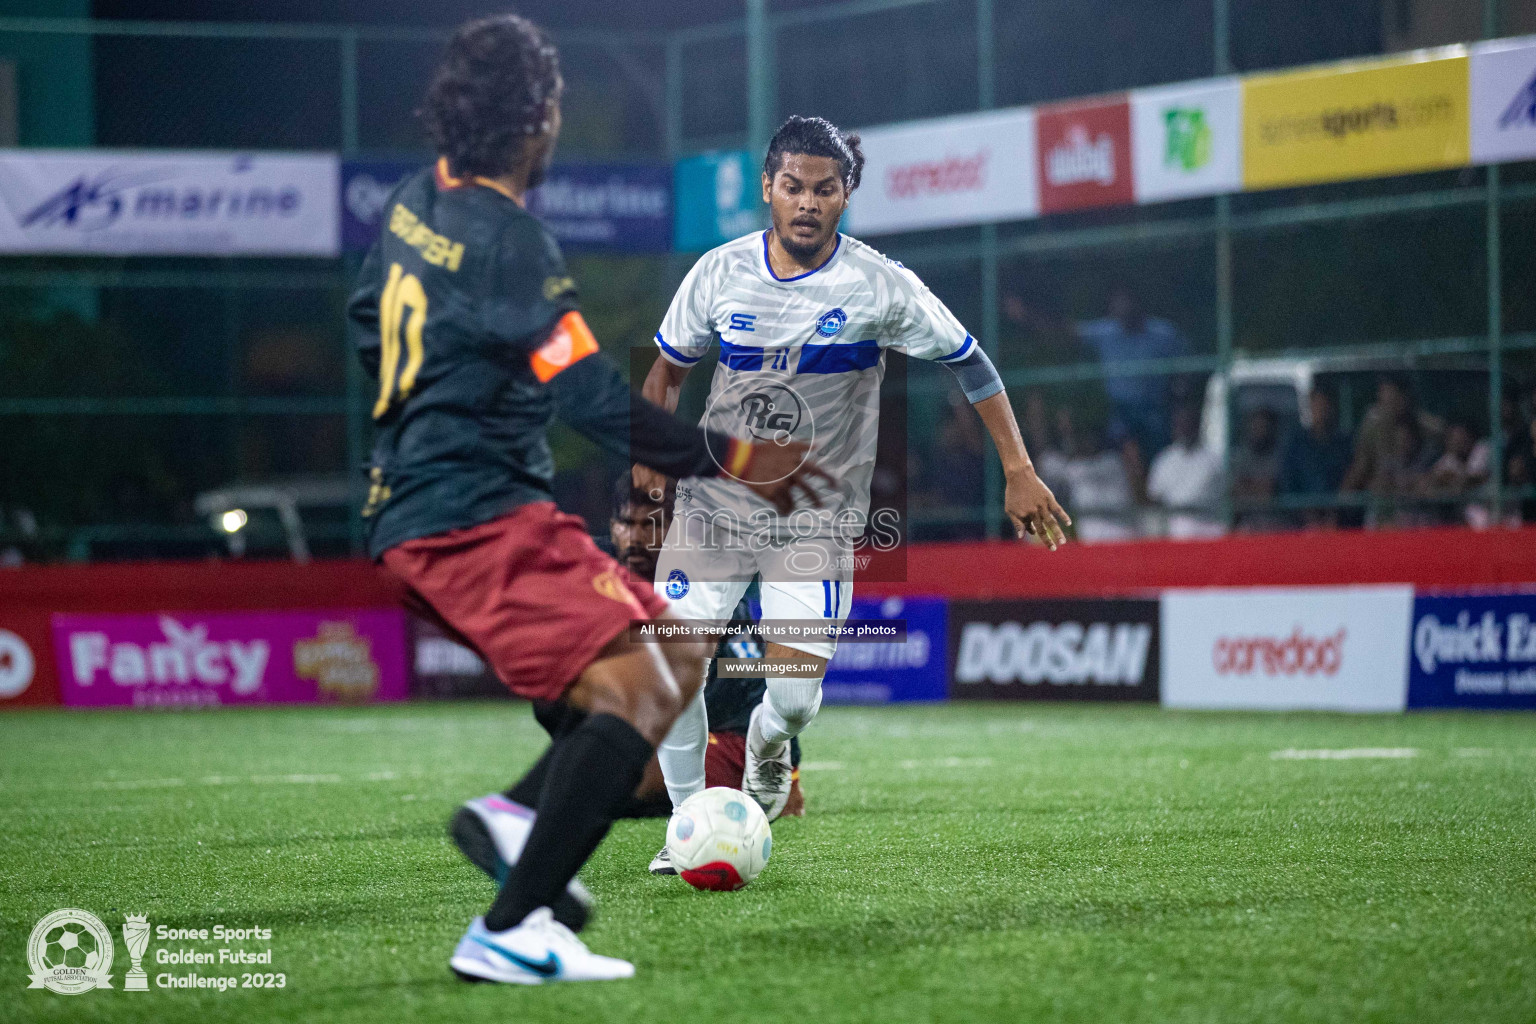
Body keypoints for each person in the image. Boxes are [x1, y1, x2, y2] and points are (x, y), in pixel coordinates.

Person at [348, 15, 827, 985]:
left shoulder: (410, 205)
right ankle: (511, 916)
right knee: (654, 680)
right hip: (477, 517)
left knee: (666, 652)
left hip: (413, 510)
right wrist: (735, 457)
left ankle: (523, 836)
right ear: (536, 119)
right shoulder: (511, 242)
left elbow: (369, 322)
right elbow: (597, 402)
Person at [633, 114, 1070, 868]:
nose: (807, 202)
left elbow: (971, 363)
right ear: (768, 188)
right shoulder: (717, 272)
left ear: (846, 195)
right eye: (793, 187)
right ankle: (690, 826)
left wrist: (1020, 469)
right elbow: (669, 368)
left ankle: (771, 747)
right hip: (717, 508)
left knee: (795, 698)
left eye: (825, 190)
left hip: (815, 523)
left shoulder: (881, 286)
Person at [1146, 403, 1224, 539]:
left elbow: (1229, 493)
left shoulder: (1214, 459)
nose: (1185, 428)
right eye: (1181, 423)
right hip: (1176, 524)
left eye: (1189, 423)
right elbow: (1154, 497)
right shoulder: (1165, 460)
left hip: (1208, 522)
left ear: (1197, 425)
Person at [1277, 388, 1352, 528]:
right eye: (1316, 404)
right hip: (1302, 522)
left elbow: (1351, 479)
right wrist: (1307, 517)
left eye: (1324, 405)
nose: (1320, 410)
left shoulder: (1343, 443)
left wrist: (1335, 514)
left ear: (1331, 407)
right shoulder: (1296, 443)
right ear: (1309, 407)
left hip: (1339, 521)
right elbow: (1288, 483)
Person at [1231, 407, 1287, 532]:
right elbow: (1236, 491)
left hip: (1276, 523)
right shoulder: (1241, 457)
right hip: (1248, 523)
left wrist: (1248, 485)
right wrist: (1255, 487)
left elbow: (1268, 491)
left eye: (1263, 426)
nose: (1259, 431)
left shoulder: (1282, 456)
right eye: (1255, 426)